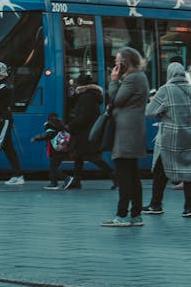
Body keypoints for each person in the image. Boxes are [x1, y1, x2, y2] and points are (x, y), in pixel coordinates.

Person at [101, 47, 150, 227]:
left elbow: (116, 99)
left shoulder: (132, 78)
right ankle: (135, 215)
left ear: (125, 62)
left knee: (124, 175)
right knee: (132, 174)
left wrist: (113, 81)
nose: (115, 63)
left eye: (117, 60)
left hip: (126, 131)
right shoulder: (139, 77)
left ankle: (122, 215)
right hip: (133, 129)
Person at [144, 60, 191, 216]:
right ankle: (189, 208)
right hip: (189, 137)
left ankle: (155, 204)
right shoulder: (190, 89)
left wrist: (154, 103)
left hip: (170, 139)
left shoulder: (166, 90)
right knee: (189, 171)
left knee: (159, 171)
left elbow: (150, 112)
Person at [64, 73, 115, 190]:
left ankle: (115, 177)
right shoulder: (90, 95)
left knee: (94, 158)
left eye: (76, 83)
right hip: (85, 131)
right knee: (79, 157)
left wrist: (70, 125)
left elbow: (84, 116)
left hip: (86, 132)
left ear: (81, 85)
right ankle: (76, 180)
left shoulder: (86, 97)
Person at [30, 113, 71, 190]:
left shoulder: (50, 125)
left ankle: (67, 178)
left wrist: (36, 138)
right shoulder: (61, 124)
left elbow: (48, 135)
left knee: (54, 167)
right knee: (53, 167)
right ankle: (54, 183)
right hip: (62, 149)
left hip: (56, 151)